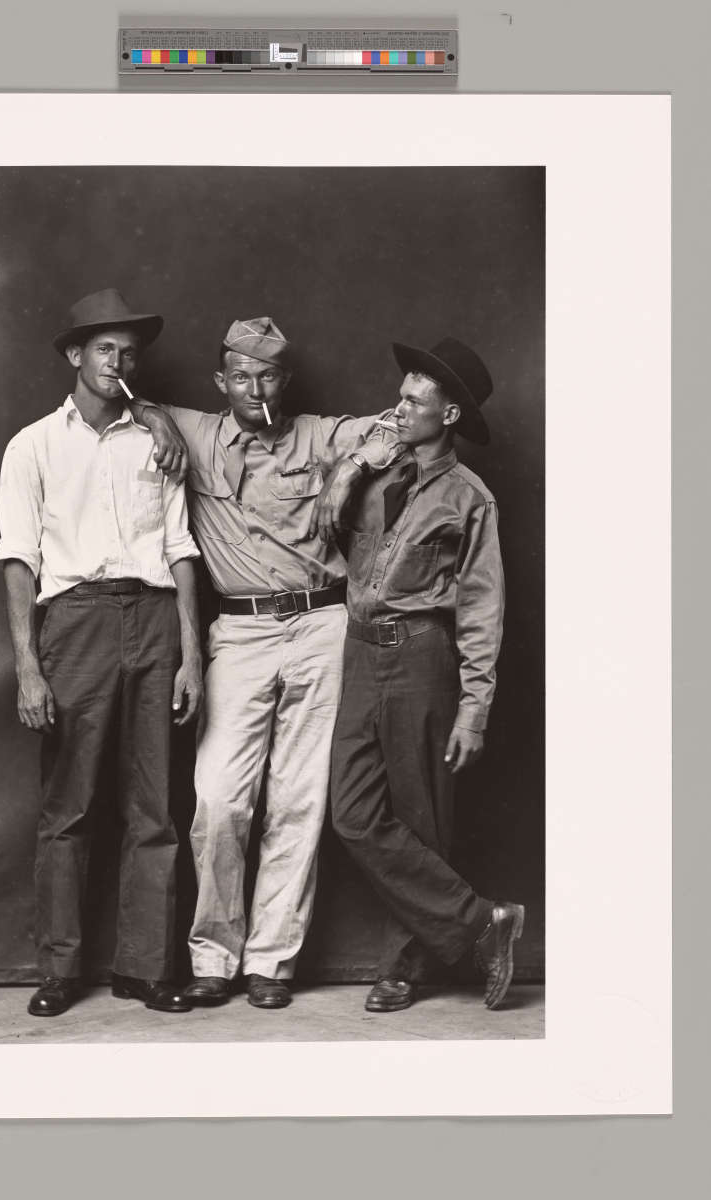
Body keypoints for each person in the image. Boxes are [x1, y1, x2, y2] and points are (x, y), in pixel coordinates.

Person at [128, 317, 398, 1008]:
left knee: (298, 800)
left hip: (320, 624)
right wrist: (153, 418)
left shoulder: (319, 434)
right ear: (221, 382)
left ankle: (272, 962)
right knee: (220, 799)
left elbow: (397, 425)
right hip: (240, 633)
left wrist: (351, 469)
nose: (256, 389)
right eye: (242, 377)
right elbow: (129, 400)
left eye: (269, 376)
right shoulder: (195, 431)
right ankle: (214, 957)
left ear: (286, 380)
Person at [0, 288, 203, 1017]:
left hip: (155, 619)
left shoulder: (157, 442)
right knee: (69, 804)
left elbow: (179, 546)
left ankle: (146, 968)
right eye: (105, 349)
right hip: (74, 622)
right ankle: (60, 968)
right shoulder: (32, 445)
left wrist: (192, 655)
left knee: (155, 806)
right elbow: (18, 558)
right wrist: (28, 667)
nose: (119, 362)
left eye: (129, 353)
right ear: (75, 355)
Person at [320, 336, 525, 1012]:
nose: (397, 410)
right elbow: (322, 530)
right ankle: (483, 921)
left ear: (450, 415)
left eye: (414, 402)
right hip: (359, 650)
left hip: (421, 656)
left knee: (420, 816)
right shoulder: (374, 469)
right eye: (400, 397)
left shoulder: (471, 498)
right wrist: (353, 466)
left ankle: (404, 968)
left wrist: (474, 709)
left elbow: (483, 608)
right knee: (352, 813)